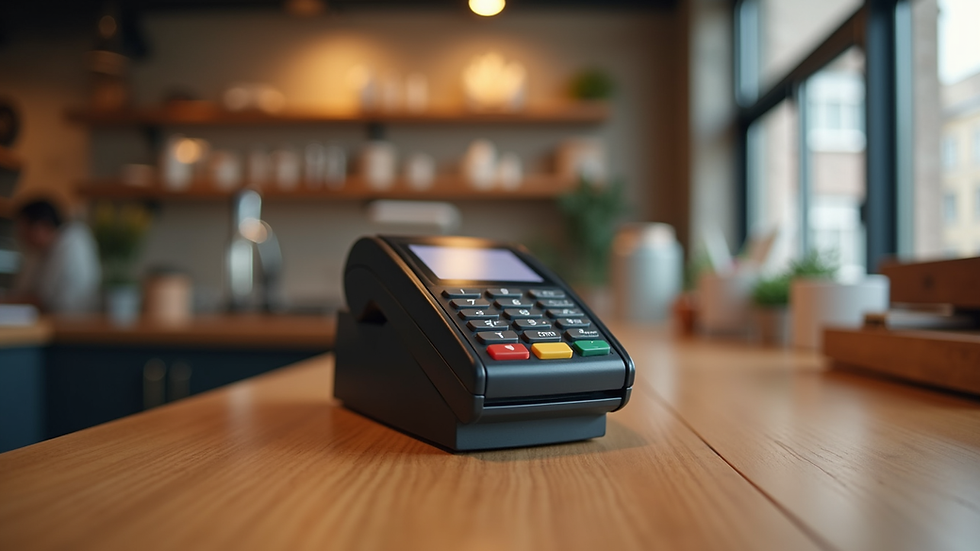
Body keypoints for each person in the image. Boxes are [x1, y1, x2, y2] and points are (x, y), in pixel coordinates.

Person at [10, 199, 101, 314]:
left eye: (24, 230)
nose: (21, 237)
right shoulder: (46, 250)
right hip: (59, 318)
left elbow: (41, 298)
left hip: (70, 320)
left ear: (41, 225)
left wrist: (7, 301)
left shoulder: (70, 242)